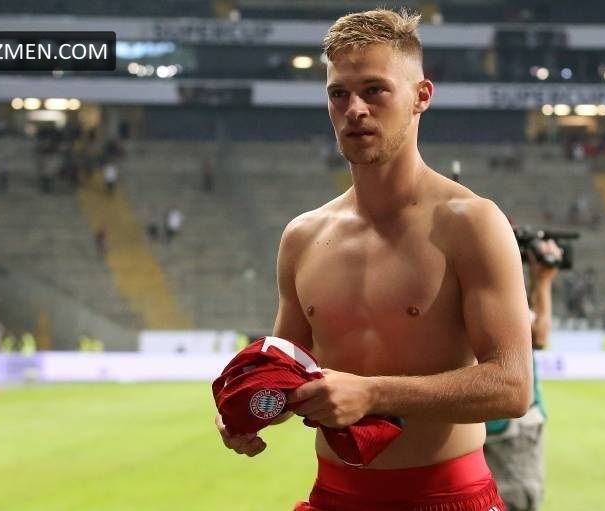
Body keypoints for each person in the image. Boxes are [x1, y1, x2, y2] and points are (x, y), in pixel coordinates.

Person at [215, 9, 533, 511]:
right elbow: (289, 373)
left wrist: (373, 394)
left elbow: (511, 387)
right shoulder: (303, 237)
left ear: (421, 96)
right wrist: (251, 407)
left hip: (447, 498)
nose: (355, 109)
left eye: (374, 90)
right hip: (333, 497)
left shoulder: (471, 224)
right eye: (338, 94)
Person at [484, 238, 562, 511]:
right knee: (516, 499)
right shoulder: (489, 285)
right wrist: (543, 280)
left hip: (471, 426)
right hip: (507, 428)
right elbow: (538, 335)